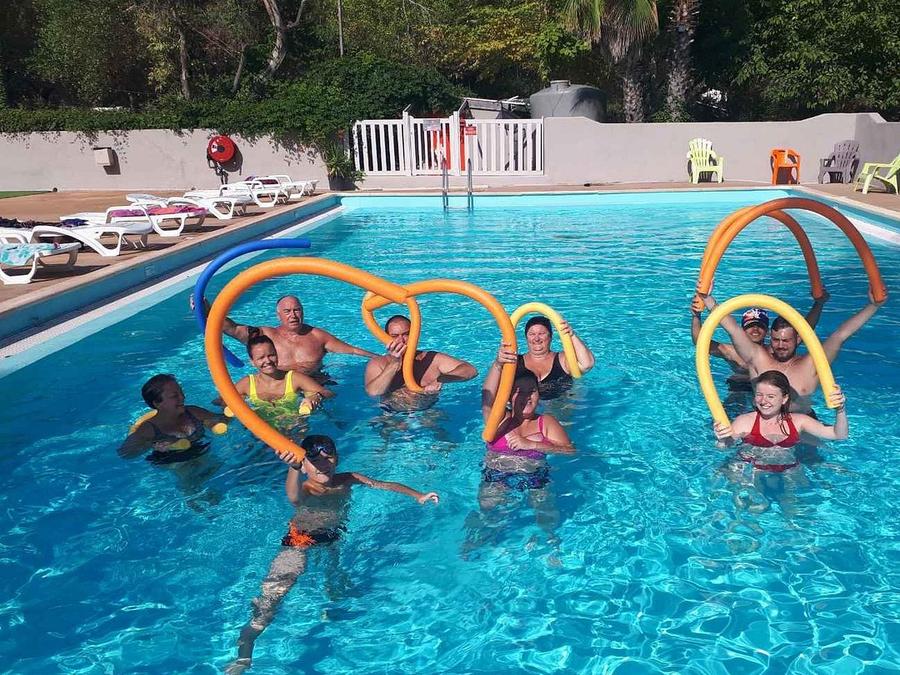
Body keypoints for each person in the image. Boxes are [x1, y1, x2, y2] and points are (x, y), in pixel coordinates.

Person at [226, 435, 438, 673]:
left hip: (332, 538)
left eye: (328, 457)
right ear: (304, 466)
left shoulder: (348, 478)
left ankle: (330, 609)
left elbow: (381, 484)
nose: (323, 464)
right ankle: (245, 651)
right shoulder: (308, 488)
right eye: (314, 460)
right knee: (273, 598)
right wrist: (293, 468)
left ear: (337, 458)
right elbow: (294, 498)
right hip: (300, 541)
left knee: (337, 584)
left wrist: (418, 495)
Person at [700, 289, 886, 413]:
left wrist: (873, 306)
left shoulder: (812, 364)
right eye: (776, 340)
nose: (780, 345)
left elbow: (841, 335)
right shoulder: (758, 358)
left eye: (786, 341)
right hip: (763, 423)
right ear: (770, 338)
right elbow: (733, 329)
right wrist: (708, 299)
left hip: (801, 425)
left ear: (798, 339)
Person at [199, 294, 378, 379]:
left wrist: (381, 358)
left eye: (297, 310)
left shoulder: (317, 336)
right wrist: (206, 310)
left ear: (303, 312)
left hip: (314, 385)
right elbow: (231, 328)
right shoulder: (263, 335)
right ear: (278, 315)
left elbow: (353, 350)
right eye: (287, 311)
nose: (293, 315)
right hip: (278, 386)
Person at [713, 370, 848, 473]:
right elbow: (724, 448)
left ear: (784, 399)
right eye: (759, 395)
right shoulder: (744, 422)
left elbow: (838, 435)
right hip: (749, 469)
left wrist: (840, 410)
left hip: (788, 469)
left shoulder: (798, 421)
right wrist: (722, 440)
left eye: (771, 396)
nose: (763, 401)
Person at [691, 291, 829, 390]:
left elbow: (805, 330)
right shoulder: (732, 351)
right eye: (751, 326)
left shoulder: (777, 348)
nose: (755, 329)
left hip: (769, 389)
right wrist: (696, 316)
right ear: (743, 329)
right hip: (740, 386)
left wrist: (819, 304)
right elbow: (701, 343)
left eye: (760, 326)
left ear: (768, 331)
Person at [364, 315, 477, 411]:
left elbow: (471, 370)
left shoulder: (431, 359)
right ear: (386, 337)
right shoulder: (378, 363)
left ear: (415, 334)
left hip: (428, 413)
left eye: (406, 334)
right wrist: (394, 364)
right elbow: (374, 392)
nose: (401, 340)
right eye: (394, 336)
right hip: (392, 415)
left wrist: (441, 379)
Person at [119, 374, 228, 463]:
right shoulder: (149, 429)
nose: (183, 397)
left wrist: (223, 407)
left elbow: (224, 419)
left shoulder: (194, 413)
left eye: (181, 392)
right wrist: (151, 444)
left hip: (204, 454)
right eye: (174, 396)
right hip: (174, 464)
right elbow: (125, 454)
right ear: (157, 403)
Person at [228, 335, 335, 425]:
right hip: (262, 432)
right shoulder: (247, 384)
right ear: (252, 362)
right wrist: (239, 403)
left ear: (277, 355)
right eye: (261, 358)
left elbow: (329, 393)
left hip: (295, 428)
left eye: (271, 355)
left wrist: (315, 397)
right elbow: (222, 401)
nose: (268, 361)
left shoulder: (294, 378)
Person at [516, 316, 594, 399]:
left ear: (550, 336)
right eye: (532, 334)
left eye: (541, 333)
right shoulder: (516, 361)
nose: (536, 338)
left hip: (561, 405)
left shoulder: (562, 359)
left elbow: (587, 364)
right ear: (526, 337)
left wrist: (571, 335)